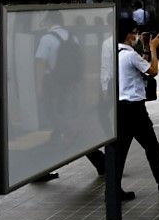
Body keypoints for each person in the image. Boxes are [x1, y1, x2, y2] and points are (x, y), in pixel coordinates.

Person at [114, 20, 159, 201]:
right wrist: (154, 48)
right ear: (128, 35)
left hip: (120, 108)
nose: (136, 36)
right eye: (134, 32)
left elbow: (141, 64)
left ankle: (114, 190)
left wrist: (146, 47)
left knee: (120, 151)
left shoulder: (115, 53)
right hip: (135, 110)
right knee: (152, 147)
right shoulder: (130, 55)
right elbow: (153, 70)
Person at [31, 10, 105, 182]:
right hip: (71, 88)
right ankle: (99, 161)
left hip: (54, 88)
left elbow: (40, 64)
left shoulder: (47, 39)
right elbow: (81, 64)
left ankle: (41, 168)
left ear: (49, 21)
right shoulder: (72, 37)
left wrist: (38, 88)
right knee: (61, 124)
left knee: (59, 122)